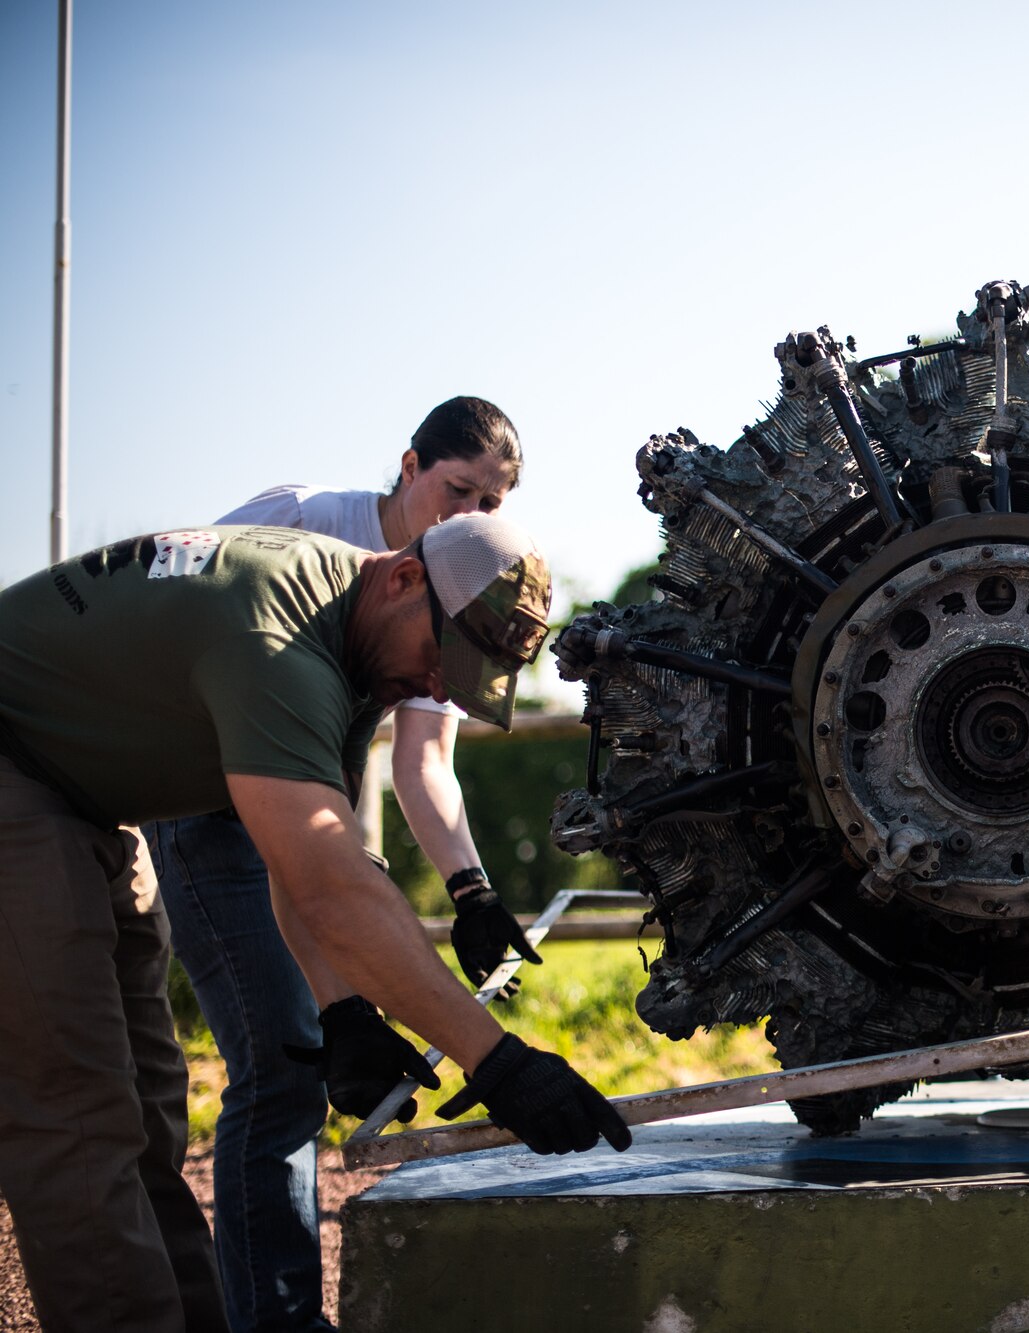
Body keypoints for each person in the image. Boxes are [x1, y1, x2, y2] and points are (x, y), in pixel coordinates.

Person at [0, 513, 631, 1333]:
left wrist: (342, 1014)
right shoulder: (280, 640)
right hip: (18, 771)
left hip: (90, 799)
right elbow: (330, 885)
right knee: (77, 1116)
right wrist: (498, 1061)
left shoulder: (357, 645)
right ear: (404, 580)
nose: (442, 688)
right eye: (444, 660)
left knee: (149, 1104)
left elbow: (301, 858)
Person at [141, 395, 540, 1332]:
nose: (468, 514)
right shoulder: (302, 522)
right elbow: (165, 612)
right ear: (408, 465)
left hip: (306, 813)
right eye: (456, 488)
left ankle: (261, 1308)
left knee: (308, 1054)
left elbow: (424, 762)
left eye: (491, 501)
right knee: (281, 1059)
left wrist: (472, 890)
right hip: (197, 786)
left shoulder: (465, 587)